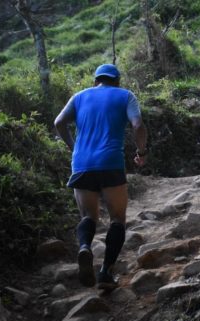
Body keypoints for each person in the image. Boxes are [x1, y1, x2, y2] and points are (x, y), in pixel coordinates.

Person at [54, 64, 147, 290]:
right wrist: (141, 153)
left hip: (82, 163)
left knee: (88, 216)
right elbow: (138, 125)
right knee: (117, 219)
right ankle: (106, 272)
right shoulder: (126, 96)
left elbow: (58, 123)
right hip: (110, 163)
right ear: (117, 80)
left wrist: (73, 146)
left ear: (96, 80)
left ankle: (85, 247)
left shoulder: (79, 96)